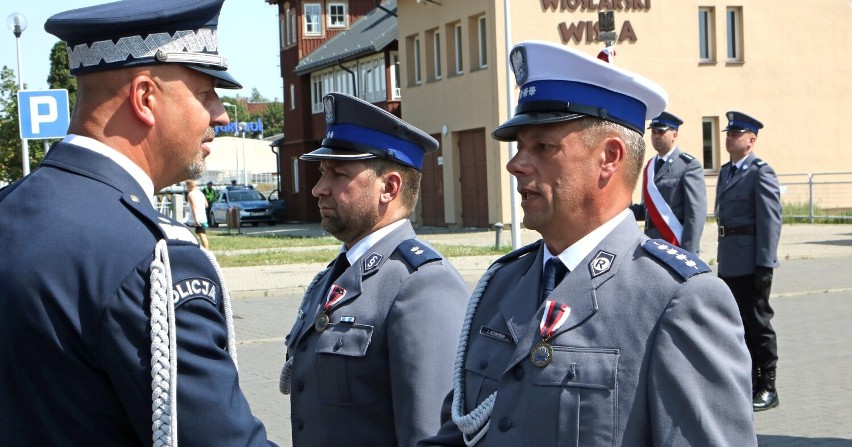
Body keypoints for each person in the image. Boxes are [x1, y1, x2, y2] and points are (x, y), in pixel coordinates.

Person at [419, 41, 756, 446]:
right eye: (518, 147)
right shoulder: (501, 284)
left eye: (543, 147)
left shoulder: (677, 299)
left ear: (609, 157)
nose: (515, 164)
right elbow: (459, 432)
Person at [0, 1, 276, 445]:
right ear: (145, 98)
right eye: (206, 93)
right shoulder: (153, 258)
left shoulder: (9, 208)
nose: (221, 114)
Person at [280, 93, 470, 446]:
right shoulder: (334, 277)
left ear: (389, 187)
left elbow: (428, 434)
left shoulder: (423, 286)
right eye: (323, 172)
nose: (318, 189)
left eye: (338, 174)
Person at [716, 111, 782, 411]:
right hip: (730, 259)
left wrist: (765, 265)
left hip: (751, 260)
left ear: (751, 140)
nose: (729, 138)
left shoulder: (760, 172)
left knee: (758, 324)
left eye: (735, 134)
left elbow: (770, 221)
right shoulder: (726, 171)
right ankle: (750, 382)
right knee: (738, 325)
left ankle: (769, 385)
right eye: (728, 133)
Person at [629, 111, 707, 254]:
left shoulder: (688, 165)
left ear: (675, 135)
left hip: (675, 244)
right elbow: (646, 209)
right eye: (653, 132)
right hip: (651, 243)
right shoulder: (650, 166)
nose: (656, 136)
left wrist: (689, 252)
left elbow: (695, 215)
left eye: (661, 132)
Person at [186, 179, 210, 249]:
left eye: (186, 185)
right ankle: (206, 250)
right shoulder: (201, 193)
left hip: (194, 218)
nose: (186, 187)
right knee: (202, 234)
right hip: (202, 217)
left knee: (187, 232)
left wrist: (196, 219)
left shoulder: (190, 194)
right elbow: (206, 205)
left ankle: (191, 248)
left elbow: (194, 206)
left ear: (190, 185)